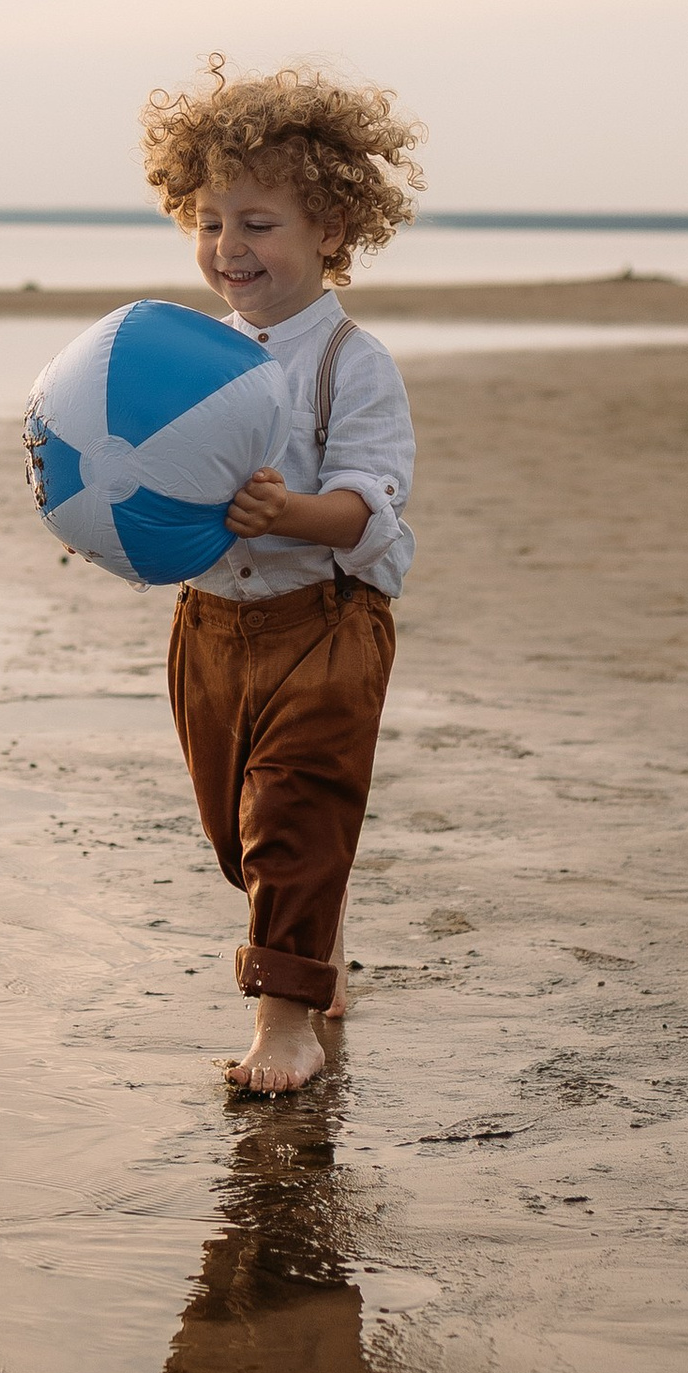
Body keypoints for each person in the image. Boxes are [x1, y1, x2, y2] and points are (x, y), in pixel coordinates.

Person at [139, 60, 421, 1097]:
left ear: (332, 227)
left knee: (295, 811)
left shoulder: (352, 363)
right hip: (211, 623)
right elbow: (145, 479)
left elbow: (364, 504)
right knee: (236, 831)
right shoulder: (191, 359)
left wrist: (290, 513)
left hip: (327, 620)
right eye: (209, 222)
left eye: (257, 223)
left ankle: (285, 1020)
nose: (228, 248)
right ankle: (317, 928)